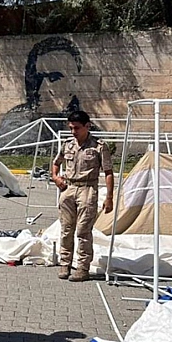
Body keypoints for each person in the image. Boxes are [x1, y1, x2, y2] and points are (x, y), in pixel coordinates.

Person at [51, 110, 114, 282]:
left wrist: (109, 197)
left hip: (88, 189)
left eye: (77, 128)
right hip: (68, 189)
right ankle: (65, 264)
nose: (73, 132)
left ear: (87, 126)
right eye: (71, 128)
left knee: (83, 231)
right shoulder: (68, 144)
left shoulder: (99, 146)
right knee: (65, 229)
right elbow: (56, 163)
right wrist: (56, 178)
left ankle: (82, 268)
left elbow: (108, 172)